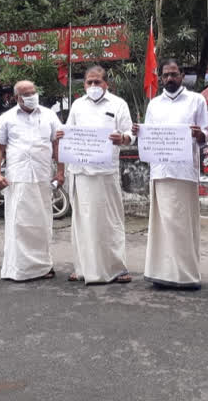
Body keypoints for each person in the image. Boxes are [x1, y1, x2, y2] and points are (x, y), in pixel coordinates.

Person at [133, 59, 208, 289]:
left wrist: (200, 135)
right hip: (160, 171)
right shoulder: (154, 104)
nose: (169, 79)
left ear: (182, 74)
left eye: (174, 74)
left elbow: (207, 133)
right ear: (160, 76)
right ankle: (161, 273)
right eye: (165, 75)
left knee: (183, 225)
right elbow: (149, 136)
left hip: (185, 172)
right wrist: (139, 132)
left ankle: (186, 276)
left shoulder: (197, 100)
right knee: (162, 226)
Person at [57, 65, 133, 284]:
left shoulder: (118, 104)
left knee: (110, 221)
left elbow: (129, 133)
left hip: (105, 172)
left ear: (106, 83)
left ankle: (117, 268)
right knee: (82, 221)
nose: (93, 86)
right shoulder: (78, 105)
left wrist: (124, 139)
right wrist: (63, 133)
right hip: (80, 173)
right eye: (89, 82)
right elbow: (68, 132)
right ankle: (82, 268)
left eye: (97, 82)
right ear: (84, 85)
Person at [0, 80, 64, 281]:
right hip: (17, 177)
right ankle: (19, 269)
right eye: (26, 93)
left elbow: (57, 143)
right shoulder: (7, 118)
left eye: (34, 92)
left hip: (42, 176)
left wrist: (60, 172)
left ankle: (43, 267)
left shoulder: (49, 115)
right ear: (16, 98)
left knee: (42, 223)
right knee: (19, 223)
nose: (32, 96)